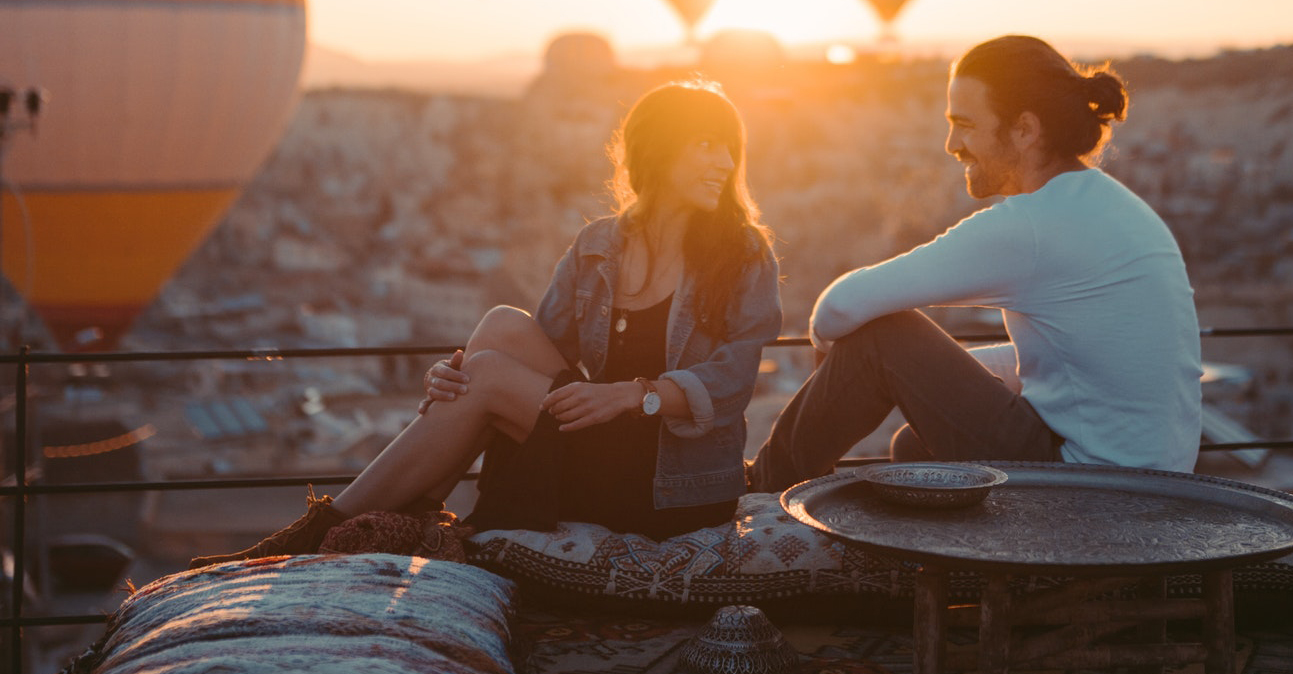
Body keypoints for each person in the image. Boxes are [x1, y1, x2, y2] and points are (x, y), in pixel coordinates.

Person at [191, 80, 782, 568]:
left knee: (492, 376)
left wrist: (632, 396)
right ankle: (391, 520)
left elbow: (732, 382)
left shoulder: (742, 254)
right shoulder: (600, 245)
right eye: (707, 144)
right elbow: (535, 345)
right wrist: (453, 379)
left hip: (671, 482)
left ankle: (318, 536)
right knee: (498, 328)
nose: (725, 163)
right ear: (658, 149)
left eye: (730, 147)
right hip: (594, 444)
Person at [748, 35, 1202, 494]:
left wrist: (835, 352)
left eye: (964, 124)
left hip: (1087, 490)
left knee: (883, 336)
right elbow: (1077, 364)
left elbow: (841, 306)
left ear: (1025, 129)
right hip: (1150, 489)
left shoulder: (1031, 226)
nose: (951, 145)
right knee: (915, 449)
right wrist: (929, 374)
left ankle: (761, 486)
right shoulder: (1112, 207)